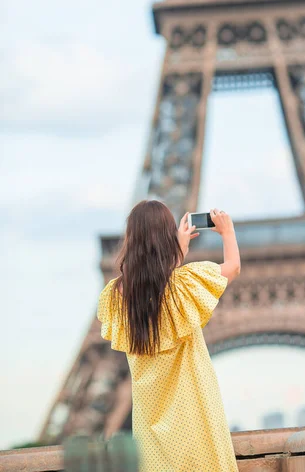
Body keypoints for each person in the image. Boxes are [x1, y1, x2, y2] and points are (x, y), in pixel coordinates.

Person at [97, 200, 241, 472]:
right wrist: (227, 231)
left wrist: (176, 255)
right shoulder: (184, 286)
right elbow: (232, 267)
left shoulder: (115, 297)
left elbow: (152, 283)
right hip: (194, 422)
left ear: (131, 239)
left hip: (150, 435)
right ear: (167, 238)